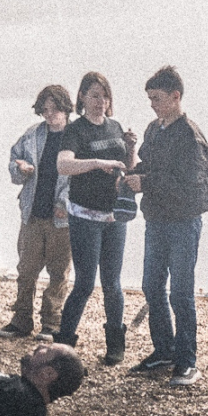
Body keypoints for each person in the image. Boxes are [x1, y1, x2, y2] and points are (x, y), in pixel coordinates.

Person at [122, 65, 208, 388]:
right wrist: (131, 171)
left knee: (180, 292)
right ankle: (164, 350)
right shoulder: (154, 129)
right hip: (157, 221)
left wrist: (145, 182)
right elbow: (148, 166)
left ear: (176, 96)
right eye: (150, 98)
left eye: (157, 98)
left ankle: (187, 361)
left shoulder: (190, 136)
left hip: (183, 223)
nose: (152, 104)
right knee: (152, 286)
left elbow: (190, 185)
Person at [55, 72, 136, 365]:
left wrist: (130, 148)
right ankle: (63, 345)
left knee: (112, 284)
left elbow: (127, 168)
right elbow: (63, 165)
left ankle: (115, 342)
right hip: (85, 215)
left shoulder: (115, 127)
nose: (100, 101)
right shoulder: (75, 130)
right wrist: (96, 163)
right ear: (82, 98)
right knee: (85, 283)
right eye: (94, 95)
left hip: (114, 216)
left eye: (104, 96)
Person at [0, 85, 74, 342]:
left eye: (54, 109)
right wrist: (20, 169)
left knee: (58, 272)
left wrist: (65, 202)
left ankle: (52, 323)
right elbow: (14, 160)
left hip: (62, 218)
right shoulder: (32, 135)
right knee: (26, 270)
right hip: (33, 214)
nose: (49, 115)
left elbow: (81, 176)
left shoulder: (75, 137)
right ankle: (21, 319)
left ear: (66, 108)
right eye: (45, 110)